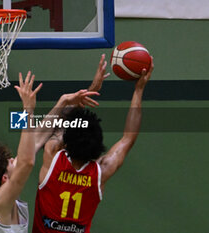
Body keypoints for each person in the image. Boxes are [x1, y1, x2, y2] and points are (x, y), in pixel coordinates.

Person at [32, 55, 154, 233]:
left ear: (66, 142)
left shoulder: (53, 155)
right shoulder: (100, 172)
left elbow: (56, 124)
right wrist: (139, 89)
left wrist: (90, 90)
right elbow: (128, 138)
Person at [0, 71, 99, 233]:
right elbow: (27, 161)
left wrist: (63, 102)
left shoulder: (1, 193)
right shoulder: (0, 203)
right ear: (4, 178)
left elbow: (37, 139)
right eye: (10, 161)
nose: (13, 159)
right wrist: (28, 111)